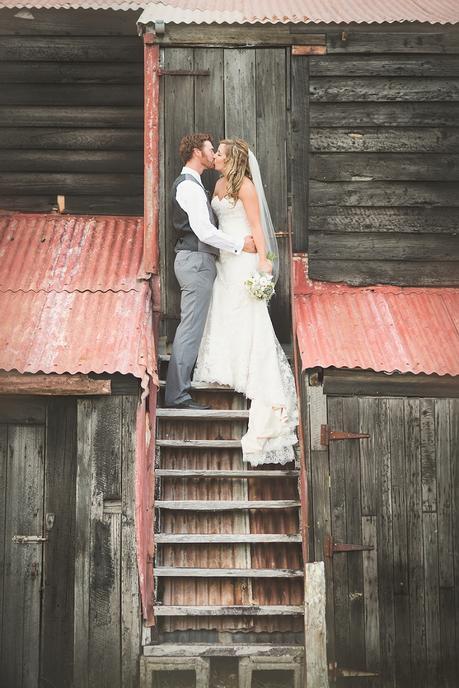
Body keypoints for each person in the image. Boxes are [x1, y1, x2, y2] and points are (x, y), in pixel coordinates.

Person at [193, 138, 298, 466]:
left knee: (244, 313)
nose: (216, 158)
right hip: (226, 259)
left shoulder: (247, 187)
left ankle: (250, 372)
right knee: (224, 310)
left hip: (246, 261)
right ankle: (226, 366)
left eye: (220, 154)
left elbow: (257, 227)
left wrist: (265, 265)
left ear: (233, 159)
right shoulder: (220, 183)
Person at [165, 133, 257, 410]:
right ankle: (177, 396)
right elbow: (204, 231)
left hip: (198, 260)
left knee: (193, 327)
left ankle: (178, 392)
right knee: (190, 329)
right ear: (196, 152)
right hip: (195, 260)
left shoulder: (195, 184)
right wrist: (240, 244)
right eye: (209, 149)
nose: (213, 152)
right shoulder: (189, 187)